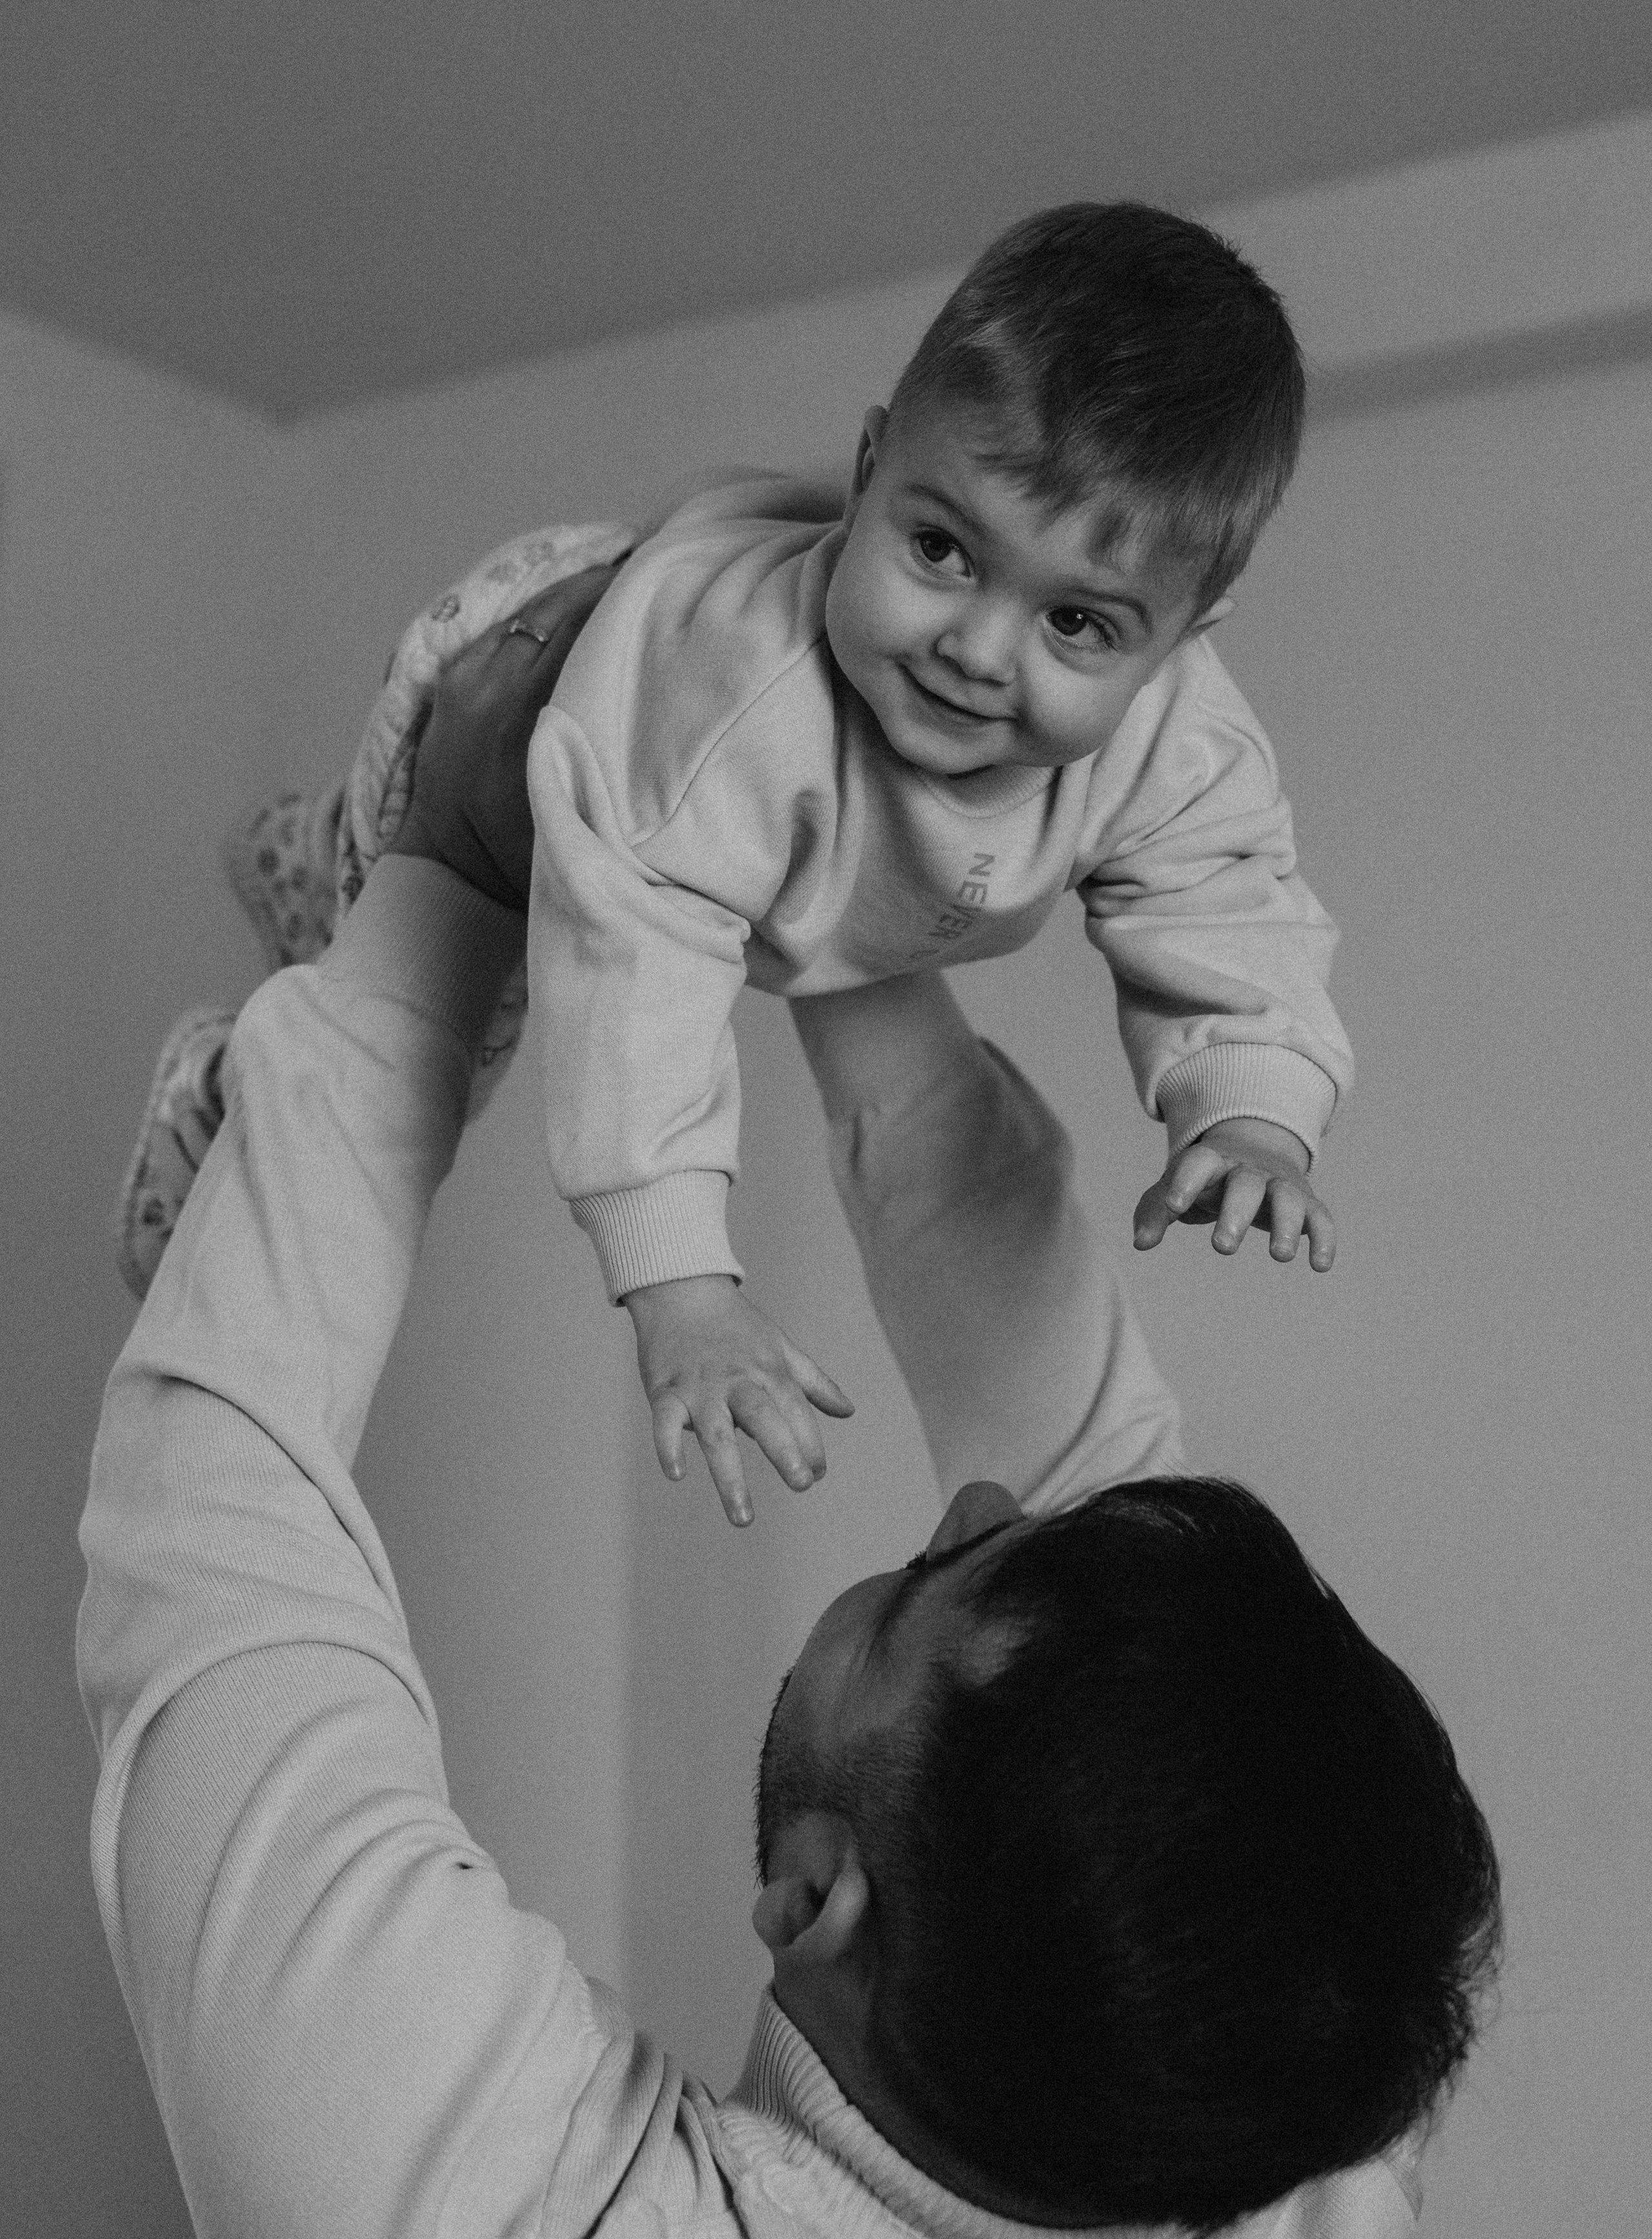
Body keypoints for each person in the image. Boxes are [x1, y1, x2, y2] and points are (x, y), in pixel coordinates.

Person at [81, 601, 1500, 2237]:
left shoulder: (493, 2200)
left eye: (917, 1595)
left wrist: (446, 884)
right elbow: (1081, 1454)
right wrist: (829, 866)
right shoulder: (1277, 2099)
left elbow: (215, 1514)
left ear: (815, 1894)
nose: (970, 1506)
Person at [119, 201, 1355, 1529]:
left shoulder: (1180, 741)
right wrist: (683, 1289)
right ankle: (242, 1038)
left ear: (1181, 641)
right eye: (940, 550)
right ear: (869, 469)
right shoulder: (733, 695)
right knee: (420, 1053)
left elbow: (1228, 899)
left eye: (1077, 624)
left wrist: (1250, 1108)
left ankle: (309, 866)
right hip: (526, 735)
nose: (977, 650)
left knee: (944, 1125)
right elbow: (640, 982)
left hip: (799, 866)